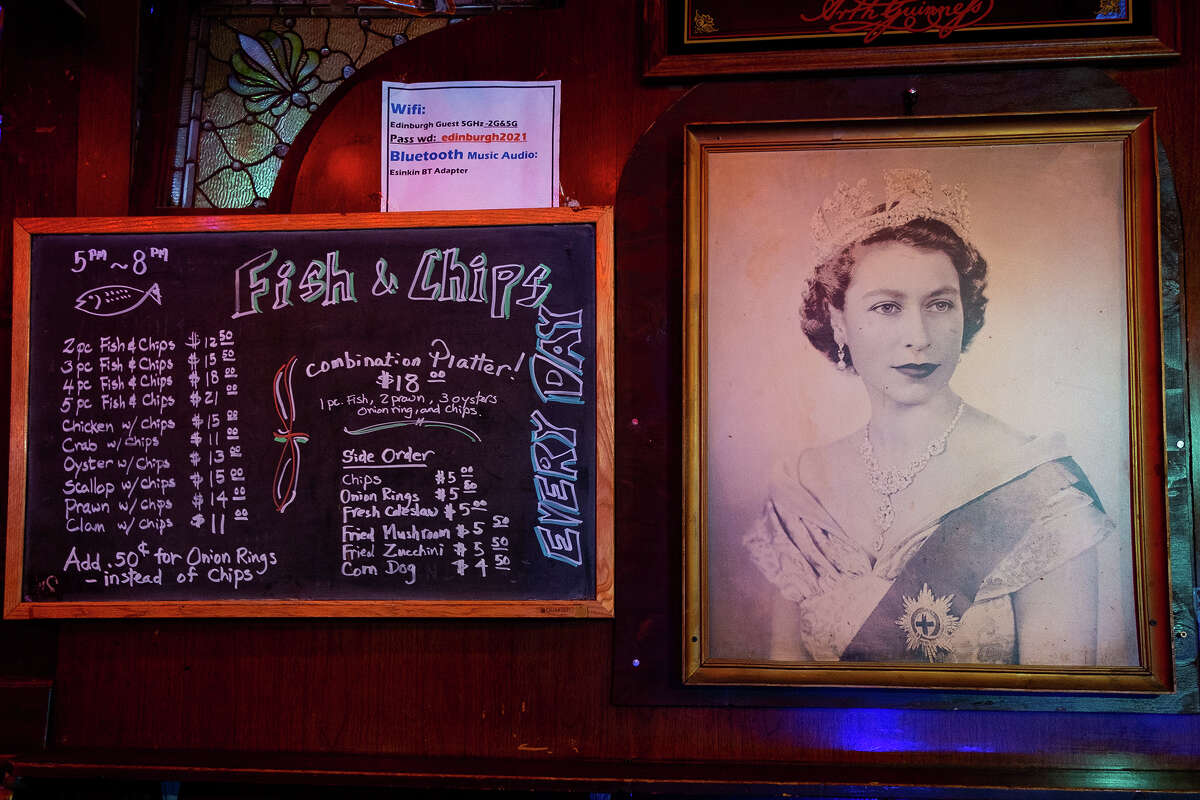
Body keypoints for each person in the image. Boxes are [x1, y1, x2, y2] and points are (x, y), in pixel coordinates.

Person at [743, 168, 1115, 665]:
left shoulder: (1035, 486)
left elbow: (1057, 708)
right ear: (838, 322)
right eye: (887, 307)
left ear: (965, 314)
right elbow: (784, 684)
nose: (918, 336)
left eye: (940, 304)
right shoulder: (800, 488)